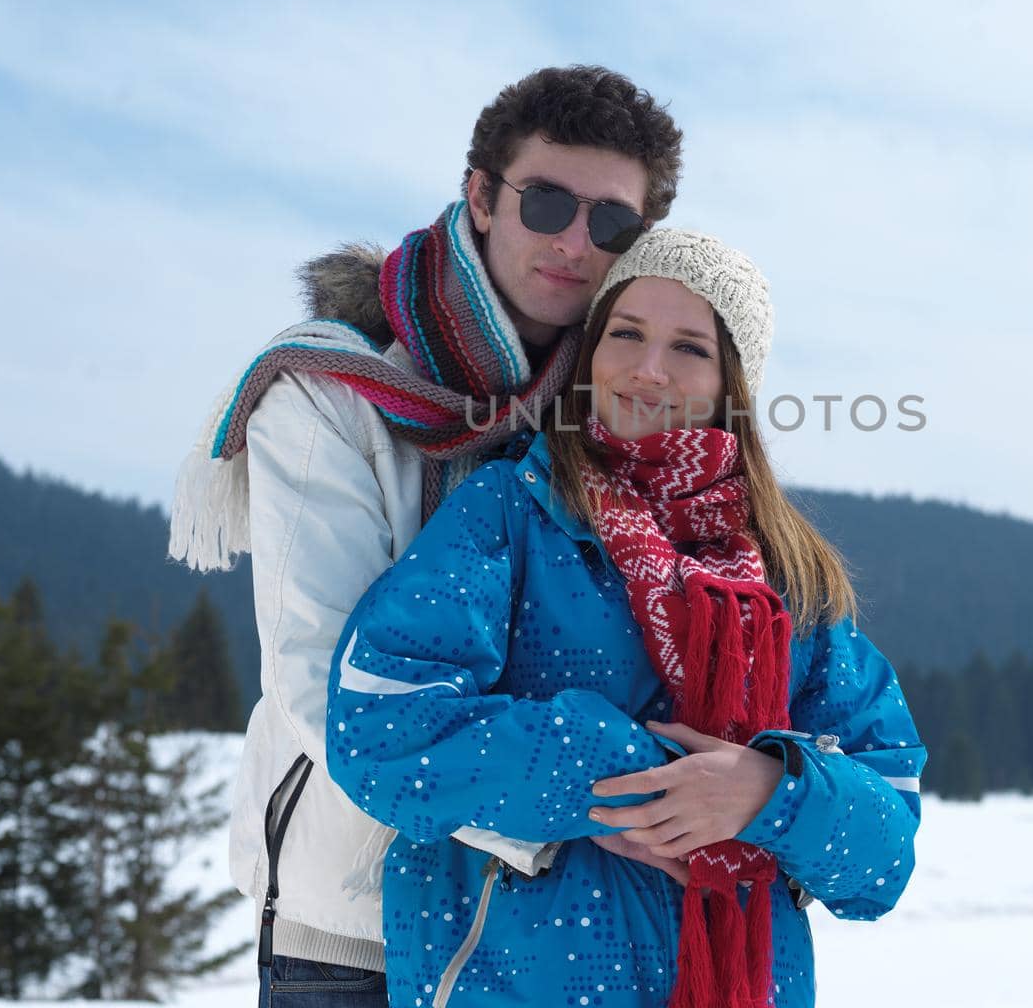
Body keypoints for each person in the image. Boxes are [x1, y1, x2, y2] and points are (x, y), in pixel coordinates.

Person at [166, 66, 685, 1004]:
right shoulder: (332, 392)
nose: (575, 241)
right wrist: (589, 811)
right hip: (359, 924)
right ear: (482, 196)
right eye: (548, 201)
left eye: (610, 223)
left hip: (557, 934)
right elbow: (326, 679)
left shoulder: (618, 414)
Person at [327, 230, 925, 1008]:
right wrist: (623, 778)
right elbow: (378, 727)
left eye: (689, 348)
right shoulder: (512, 515)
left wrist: (765, 791)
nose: (648, 370)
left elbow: (884, 853)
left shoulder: (786, 576)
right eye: (627, 333)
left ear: (730, 385)